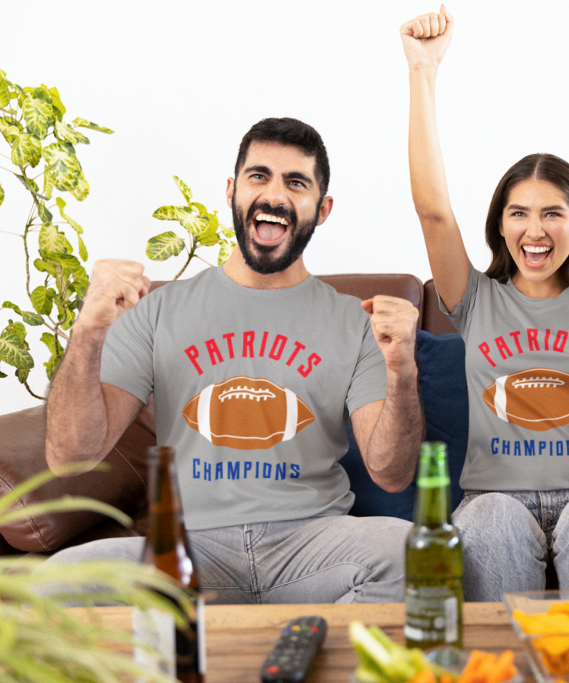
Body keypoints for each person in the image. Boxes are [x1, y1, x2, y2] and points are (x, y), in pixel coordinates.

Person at [44, 117, 424, 604]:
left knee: (409, 553)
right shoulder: (158, 310)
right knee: (57, 581)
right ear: (232, 191)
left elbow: (391, 474)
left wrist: (402, 370)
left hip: (312, 543)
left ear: (322, 209)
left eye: (296, 183)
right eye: (258, 176)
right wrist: (87, 333)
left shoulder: (358, 321)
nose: (274, 194)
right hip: (185, 547)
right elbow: (69, 456)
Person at [400, 6, 569, 600]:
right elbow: (433, 210)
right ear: (499, 224)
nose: (534, 230)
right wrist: (423, 70)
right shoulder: (474, 300)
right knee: (487, 527)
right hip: (493, 498)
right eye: (518, 213)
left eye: (552, 213)